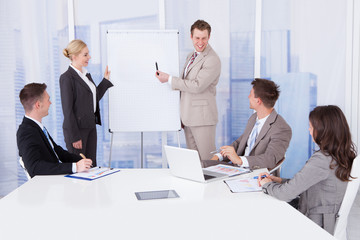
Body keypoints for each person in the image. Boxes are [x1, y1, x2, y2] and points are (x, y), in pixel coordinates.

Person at [258, 105, 356, 234]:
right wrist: (279, 180)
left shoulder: (322, 160)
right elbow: (313, 183)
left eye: (311, 127)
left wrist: (267, 185)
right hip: (328, 219)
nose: (309, 131)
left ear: (322, 130)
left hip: (315, 224)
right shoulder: (342, 154)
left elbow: (285, 194)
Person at [155, 19, 221, 160]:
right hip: (188, 117)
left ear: (209, 37)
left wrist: (169, 79)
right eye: (197, 38)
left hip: (203, 119)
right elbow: (185, 87)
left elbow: (197, 86)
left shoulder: (212, 59)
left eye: (204, 38)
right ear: (191, 37)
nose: (200, 42)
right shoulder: (190, 56)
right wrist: (181, 115)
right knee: (195, 163)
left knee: (207, 163)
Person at [205, 78, 292, 171]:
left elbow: (270, 159)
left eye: (250, 94)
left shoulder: (281, 128)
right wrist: (219, 156)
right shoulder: (254, 118)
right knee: (203, 165)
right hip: (237, 169)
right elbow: (239, 143)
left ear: (258, 101)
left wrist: (240, 160)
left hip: (255, 173)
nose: (248, 97)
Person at [17, 83, 93, 178]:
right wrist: (75, 167)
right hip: (48, 185)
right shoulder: (26, 132)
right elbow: (34, 167)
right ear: (38, 105)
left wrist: (81, 160)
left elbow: (57, 151)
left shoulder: (37, 127)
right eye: (48, 100)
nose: (50, 103)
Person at [60, 39, 113, 166]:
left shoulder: (86, 75)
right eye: (85, 54)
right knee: (80, 168)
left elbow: (92, 99)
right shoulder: (67, 78)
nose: (89, 57)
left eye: (88, 54)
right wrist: (74, 137)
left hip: (90, 127)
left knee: (91, 166)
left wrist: (105, 81)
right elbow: (67, 110)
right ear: (74, 56)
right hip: (77, 130)